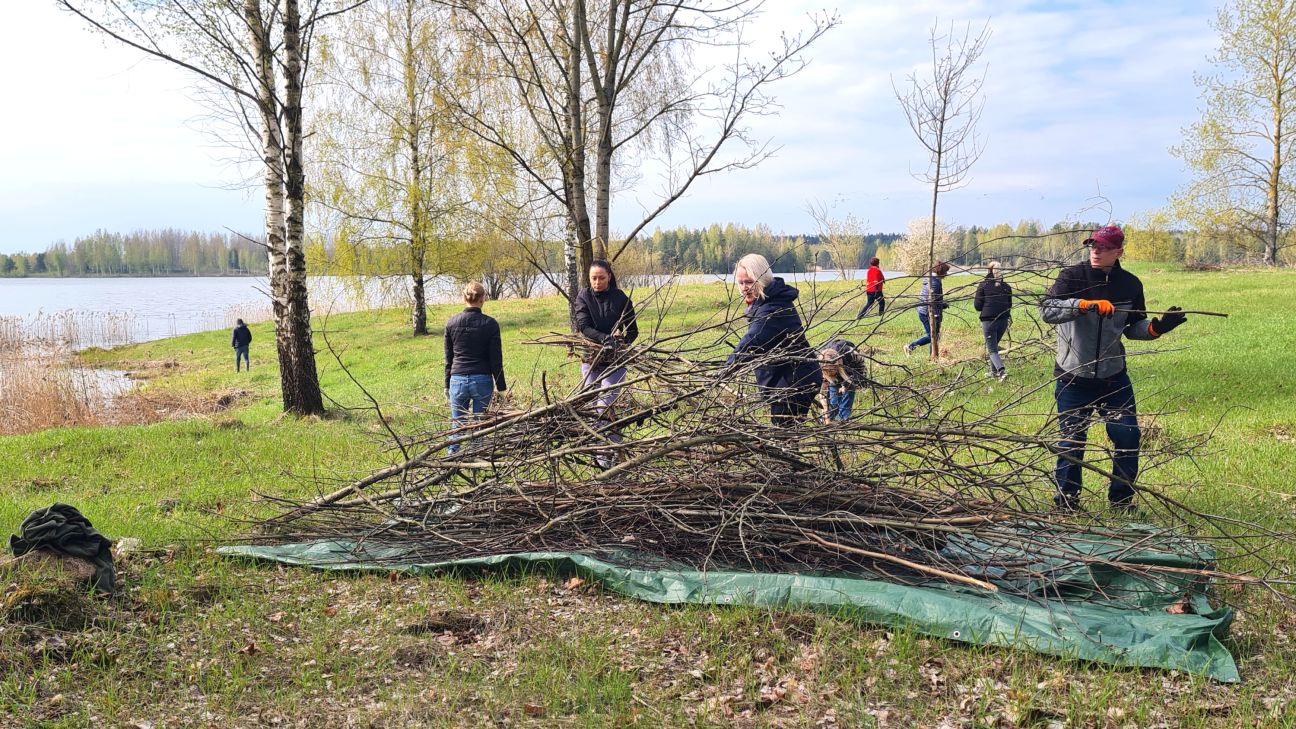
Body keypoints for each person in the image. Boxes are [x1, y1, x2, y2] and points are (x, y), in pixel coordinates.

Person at [1040, 225, 1187, 512]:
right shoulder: (1072, 276)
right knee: (1071, 442)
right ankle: (1066, 503)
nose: (1096, 251)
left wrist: (1157, 328)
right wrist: (1083, 304)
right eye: (1093, 246)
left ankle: (1121, 502)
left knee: (1128, 436)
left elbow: (1134, 328)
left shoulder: (1130, 284)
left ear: (1118, 251)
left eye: (1104, 247)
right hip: (1073, 378)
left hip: (1113, 379)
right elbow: (1047, 310)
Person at [727, 253, 822, 426]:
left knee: (784, 434)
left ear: (761, 279)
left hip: (793, 381)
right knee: (787, 433)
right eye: (740, 283)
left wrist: (728, 368)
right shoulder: (768, 301)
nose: (744, 288)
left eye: (749, 282)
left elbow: (753, 340)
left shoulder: (772, 309)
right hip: (789, 378)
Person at [573, 259, 638, 465]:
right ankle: (616, 449)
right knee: (595, 408)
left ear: (609, 276)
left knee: (603, 405)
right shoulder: (583, 296)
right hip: (591, 359)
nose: (597, 282)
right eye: (594, 278)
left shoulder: (621, 299)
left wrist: (621, 341)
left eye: (601, 278)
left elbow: (633, 331)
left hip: (615, 362)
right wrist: (603, 338)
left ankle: (603, 459)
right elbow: (583, 325)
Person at [443, 282, 507, 453]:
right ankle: (477, 461)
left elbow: (449, 358)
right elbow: (496, 360)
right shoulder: (490, 324)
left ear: (464, 298)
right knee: (480, 428)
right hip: (482, 380)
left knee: (457, 427)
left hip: (457, 379)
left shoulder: (451, 323)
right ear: (483, 299)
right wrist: (501, 388)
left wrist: (446, 384)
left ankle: (451, 459)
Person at [973, 261, 1013, 381]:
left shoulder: (983, 285)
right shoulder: (1007, 287)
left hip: (989, 321)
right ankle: (993, 372)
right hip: (1003, 321)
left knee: (992, 350)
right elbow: (1009, 305)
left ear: (988, 271)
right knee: (994, 347)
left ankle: (1001, 372)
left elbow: (977, 306)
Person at [904, 261, 950, 356]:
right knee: (933, 336)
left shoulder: (930, 279)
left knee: (934, 336)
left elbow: (934, 299)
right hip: (927, 313)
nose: (946, 274)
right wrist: (942, 306)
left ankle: (932, 357)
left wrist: (942, 304)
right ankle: (911, 347)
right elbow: (932, 302)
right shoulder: (934, 283)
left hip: (924, 311)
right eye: (945, 272)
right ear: (940, 271)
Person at [817, 339, 868, 422]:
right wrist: (822, 396)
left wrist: (857, 380)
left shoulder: (849, 353)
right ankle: (830, 417)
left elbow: (861, 363)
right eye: (828, 371)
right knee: (834, 395)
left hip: (852, 368)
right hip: (839, 369)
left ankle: (843, 419)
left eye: (832, 371)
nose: (831, 373)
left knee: (849, 389)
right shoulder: (821, 360)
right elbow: (824, 382)